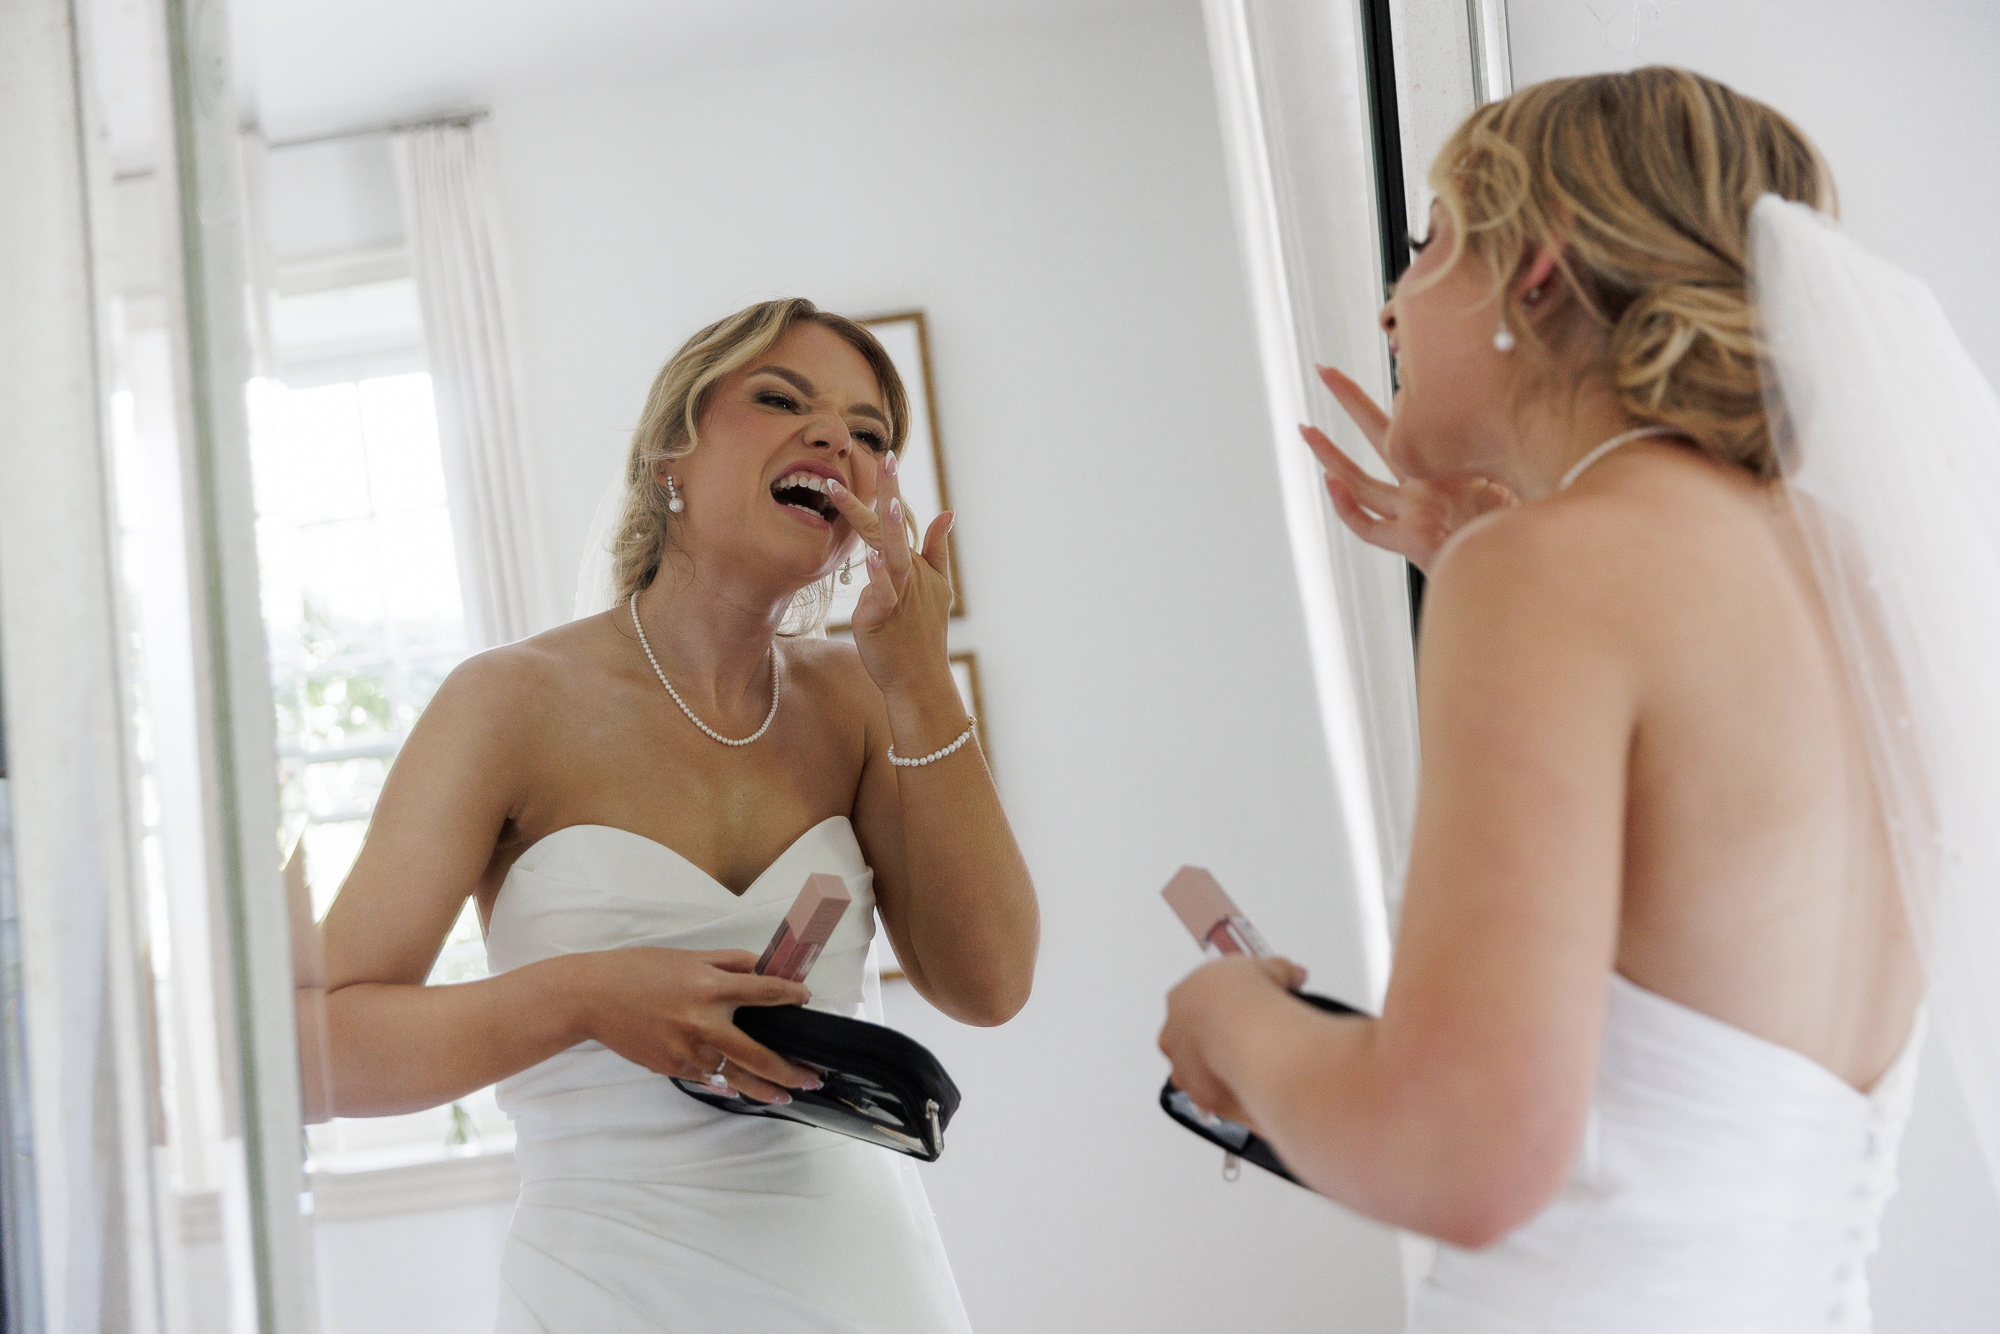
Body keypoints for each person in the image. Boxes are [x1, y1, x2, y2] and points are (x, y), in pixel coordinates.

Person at [1157, 68, 1994, 1331]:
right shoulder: (1846, 577)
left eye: (1430, 241)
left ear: (1534, 270)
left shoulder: (1550, 574)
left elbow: (1458, 1150)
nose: (1390, 304)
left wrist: (1232, 1020)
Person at [308, 298, 1037, 1332]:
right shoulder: (507, 703)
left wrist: (918, 677)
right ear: (669, 461)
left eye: (868, 433)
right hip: (607, 1288)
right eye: (780, 398)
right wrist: (581, 996)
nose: (835, 437)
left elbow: (988, 984)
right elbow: (317, 1050)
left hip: (865, 1285)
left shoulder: (862, 702)